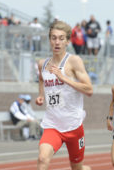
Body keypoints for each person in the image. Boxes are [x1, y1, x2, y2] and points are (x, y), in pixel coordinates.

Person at [36, 20, 93, 170]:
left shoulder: (74, 61)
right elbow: (41, 79)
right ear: (49, 40)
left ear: (68, 41)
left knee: (77, 168)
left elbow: (89, 90)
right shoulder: (42, 64)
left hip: (73, 126)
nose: (57, 42)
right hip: (52, 125)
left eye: (61, 38)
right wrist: (41, 94)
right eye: (54, 38)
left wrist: (63, 78)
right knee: (42, 158)